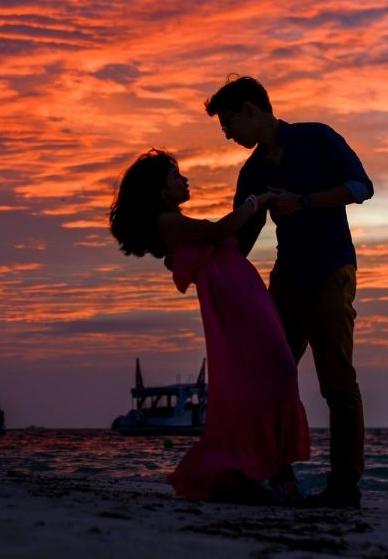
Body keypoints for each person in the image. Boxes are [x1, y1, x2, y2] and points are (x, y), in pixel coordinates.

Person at [205, 75, 373, 509]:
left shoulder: (317, 138)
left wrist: (301, 201)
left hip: (332, 271)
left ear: (250, 110)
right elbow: (243, 237)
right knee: (267, 376)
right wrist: (204, 261)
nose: (227, 133)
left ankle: (344, 487)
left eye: (228, 122)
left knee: (337, 382)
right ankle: (272, 475)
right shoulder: (253, 171)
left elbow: (361, 188)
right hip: (286, 280)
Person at [109, 149, 310, 505]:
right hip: (233, 301)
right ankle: (265, 475)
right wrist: (255, 201)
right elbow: (220, 229)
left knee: (273, 373)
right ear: (160, 190)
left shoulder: (173, 220)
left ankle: (264, 475)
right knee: (275, 371)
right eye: (175, 176)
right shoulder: (166, 222)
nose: (183, 180)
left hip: (241, 293)